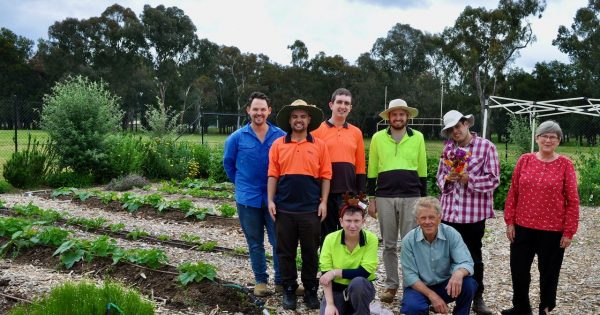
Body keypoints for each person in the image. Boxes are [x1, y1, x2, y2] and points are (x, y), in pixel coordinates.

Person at [502, 120, 579, 315]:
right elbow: (514, 192)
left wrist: (569, 231)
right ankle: (520, 307)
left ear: (558, 141)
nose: (548, 139)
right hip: (523, 226)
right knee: (518, 270)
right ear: (537, 138)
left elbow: (572, 200)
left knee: (549, 274)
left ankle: (545, 307)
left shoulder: (565, 165)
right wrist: (509, 221)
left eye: (553, 137)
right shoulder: (525, 160)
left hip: (553, 230)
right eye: (544, 135)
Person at [267, 99, 332, 310]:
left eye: (303, 116)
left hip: (310, 209)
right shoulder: (278, 144)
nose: (299, 120)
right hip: (284, 209)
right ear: (290, 120)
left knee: (311, 252)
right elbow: (272, 175)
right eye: (295, 116)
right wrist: (270, 200)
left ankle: (311, 290)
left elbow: (325, 176)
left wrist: (323, 202)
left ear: (309, 120)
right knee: (285, 252)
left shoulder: (319, 145)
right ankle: (289, 289)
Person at [436, 110, 499, 315]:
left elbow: (493, 180)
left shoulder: (486, 147)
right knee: (446, 256)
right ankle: (445, 295)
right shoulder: (448, 149)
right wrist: (447, 179)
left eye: (458, 126)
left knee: (473, 257)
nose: (455, 131)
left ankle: (476, 297)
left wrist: (468, 179)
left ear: (466, 124)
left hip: (473, 215)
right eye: (451, 129)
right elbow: (439, 177)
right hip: (448, 214)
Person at [223, 91, 285, 296]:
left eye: (263, 109)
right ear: (248, 110)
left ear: (269, 111)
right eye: (255, 109)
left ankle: (280, 281)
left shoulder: (281, 137)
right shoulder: (236, 138)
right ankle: (261, 281)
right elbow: (229, 165)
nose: (259, 113)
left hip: (274, 200)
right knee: (255, 242)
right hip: (248, 199)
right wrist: (242, 185)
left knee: (279, 242)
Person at [367, 98, 427, 303]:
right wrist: (371, 198)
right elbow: (372, 168)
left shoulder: (418, 137)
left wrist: (423, 200)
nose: (398, 117)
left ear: (407, 117)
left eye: (402, 114)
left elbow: (422, 169)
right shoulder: (377, 138)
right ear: (389, 117)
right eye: (394, 114)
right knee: (389, 245)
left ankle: (412, 285)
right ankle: (391, 285)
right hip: (385, 196)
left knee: (410, 244)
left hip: (411, 196)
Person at [400, 197, 477, 315]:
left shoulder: (451, 234)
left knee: (469, 284)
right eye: (423, 218)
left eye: (432, 217)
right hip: (420, 287)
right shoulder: (408, 240)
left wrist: (458, 273)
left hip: (446, 285)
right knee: (412, 308)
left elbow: (466, 262)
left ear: (439, 218)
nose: (427, 222)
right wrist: (433, 296)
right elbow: (410, 276)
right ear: (417, 220)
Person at [312, 88, 366, 245]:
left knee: (347, 235)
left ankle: (344, 269)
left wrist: (361, 196)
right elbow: (314, 165)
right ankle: (326, 269)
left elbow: (360, 166)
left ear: (350, 108)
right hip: (325, 194)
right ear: (331, 104)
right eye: (339, 102)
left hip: (348, 194)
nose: (343, 106)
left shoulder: (356, 132)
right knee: (326, 236)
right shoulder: (317, 131)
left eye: (347, 103)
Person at [319, 195, 378, 315]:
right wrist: (330, 304)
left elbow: (364, 272)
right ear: (341, 222)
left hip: (360, 289)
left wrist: (335, 272)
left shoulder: (371, 239)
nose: (352, 225)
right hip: (336, 289)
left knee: (358, 283)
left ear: (363, 221)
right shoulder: (330, 239)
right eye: (348, 221)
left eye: (356, 221)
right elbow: (326, 275)